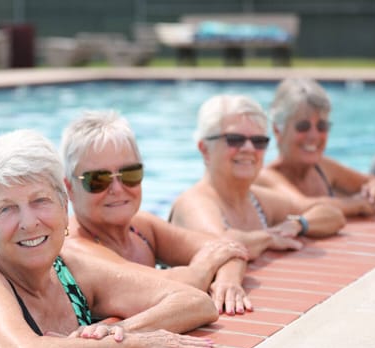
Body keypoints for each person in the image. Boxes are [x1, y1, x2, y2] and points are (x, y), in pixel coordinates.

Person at [0, 129, 219, 348]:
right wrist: (134, 345)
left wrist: (118, 332)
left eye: (40, 201)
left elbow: (194, 302)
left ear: (63, 206)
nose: (29, 223)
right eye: (7, 208)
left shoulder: (69, 267)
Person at [59, 110, 252, 316]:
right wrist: (208, 265)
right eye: (98, 180)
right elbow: (177, 286)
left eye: (129, 174)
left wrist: (227, 282)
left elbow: (226, 246)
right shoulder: (76, 249)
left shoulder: (140, 227)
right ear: (69, 188)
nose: (117, 188)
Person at [169, 94, 345, 258]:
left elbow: (332, 214)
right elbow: (221, 246)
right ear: (205, 149)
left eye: (259, 141)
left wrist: (298, 225)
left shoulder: (258, 200)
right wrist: (268, 238)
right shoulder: (194, 202)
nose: (249, 148)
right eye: (235, 139)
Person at [255, 77, 375, 217]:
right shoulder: (265, 176)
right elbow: (302, 207)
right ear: (278, 130)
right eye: (303, 127)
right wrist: (358, 205)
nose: (314, 136)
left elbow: (371, 181)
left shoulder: (323, 167)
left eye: (322, 126)